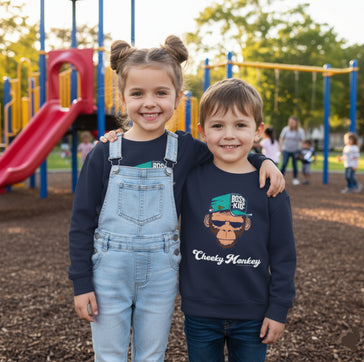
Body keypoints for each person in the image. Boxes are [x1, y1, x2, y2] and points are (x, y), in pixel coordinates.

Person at [68, 36, 285, 362]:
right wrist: (81, 282)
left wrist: (262, 160)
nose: (149, 102)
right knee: (108, 355)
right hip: (108, 274)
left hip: (161, 275)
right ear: (121, 97)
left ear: (179, 97)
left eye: (161, 93)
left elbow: (226, 148)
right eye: (137, 93)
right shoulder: (103, 153)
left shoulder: (185, 149)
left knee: (152, 356)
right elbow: (81, 222)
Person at [179, 78, 296, 362]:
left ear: (258, 131)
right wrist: (115, 137)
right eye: (218, 125)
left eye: (240, 125)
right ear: (202, 132)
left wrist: (278, 310)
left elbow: (283, 255)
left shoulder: (270, 187)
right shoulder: (189, 177)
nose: (228, 134)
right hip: (200, 312)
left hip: (253, 314)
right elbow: (149, 141)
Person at [279, 116, 305, 185]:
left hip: (295, 150)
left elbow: (302, 141)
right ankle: (279, 178)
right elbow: (281, 138)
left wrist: (300, 150)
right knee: (284, 164)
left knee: (295, 165)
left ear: (297, 123)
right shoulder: (286, 129)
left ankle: (295, 179)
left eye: (293, 122)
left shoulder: (300, 131)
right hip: (286, 150)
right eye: (291, 122)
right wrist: (280, 147)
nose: (292, 124)